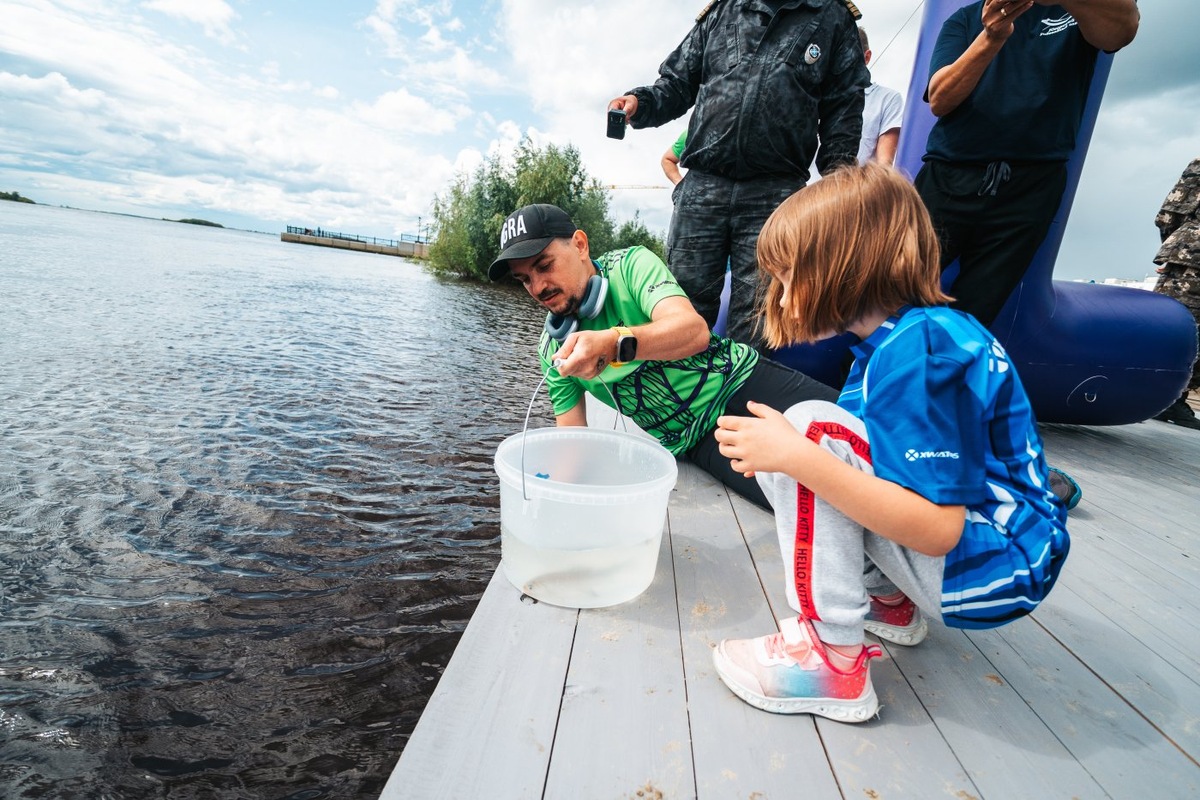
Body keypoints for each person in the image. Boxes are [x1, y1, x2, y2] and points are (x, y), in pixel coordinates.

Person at [709, 163, 1069, 722]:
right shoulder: (895, 345)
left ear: (843, 266)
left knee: (808, 431)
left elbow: (937, 527)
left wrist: (795, 456)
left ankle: (831, 656)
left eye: (786, 277)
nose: (776, 298)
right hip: (994, 556)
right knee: (814, 442)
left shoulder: (918, 352)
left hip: (992, 564)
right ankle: (888, 603)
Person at [487, 203, 838, 509]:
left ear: (580, 245)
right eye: (524, 279)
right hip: (699, 440)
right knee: (812, 501)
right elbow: (572, 439)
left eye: (545, 265)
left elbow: (694, 332)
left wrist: (612, 343)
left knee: (869, 431)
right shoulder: (552, 350)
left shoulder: (631, 266)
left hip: (743, 381)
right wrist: (552, 496)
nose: (538, 287)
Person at [608, 0, 869, 349]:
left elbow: (844, 110)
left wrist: (839, 185)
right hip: (703, 186)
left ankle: (740, 401)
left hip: (776, 197)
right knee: (680, 312)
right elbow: (676, 83)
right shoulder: (723, 10)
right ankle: (677, 400)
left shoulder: (833, 17)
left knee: (758, 323)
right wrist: (641, 103)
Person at [913, 0, 1140, 327]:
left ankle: (947, 372)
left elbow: (1123, 30)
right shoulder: (964, 19)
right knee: (893, 289)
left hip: (1031, 187)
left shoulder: (1079, 13)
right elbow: (940, 99)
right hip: (949, 176)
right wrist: (992, 37)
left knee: (974, 314)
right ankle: (864, 373)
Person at [1151, 157, 1200, 430]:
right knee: (1181, 329)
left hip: (1190, 258)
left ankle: (1174, 397)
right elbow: (1169, 215)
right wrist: (1180, 250)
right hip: (1192, 264)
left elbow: (1168, 217)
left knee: (1189, 334)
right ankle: (1165, 397)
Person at [855, 26, 903, 166]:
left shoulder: (888, 99)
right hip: (806, 187)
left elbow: (883, 166)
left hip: (855, 188)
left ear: (867, 57)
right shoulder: (813, 95)